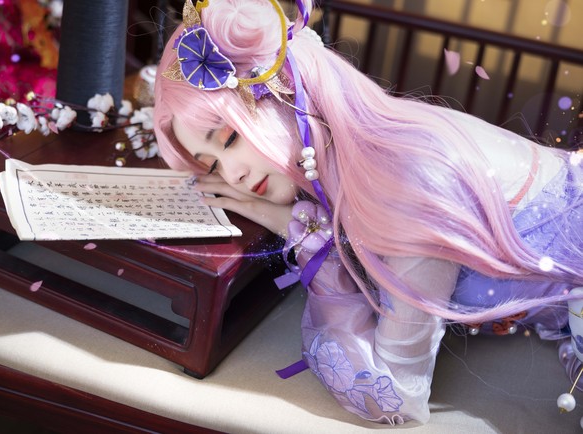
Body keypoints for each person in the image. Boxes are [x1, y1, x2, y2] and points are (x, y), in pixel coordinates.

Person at [153, 0, 583, 425]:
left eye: (229, 140)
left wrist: (306, 235)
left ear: (286, 92)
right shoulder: (358, 151)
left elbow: (392, 396)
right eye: (212, 166)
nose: (233, 175)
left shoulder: (407, 181)